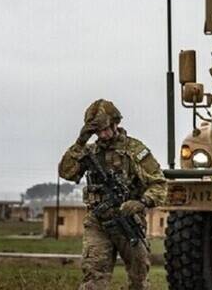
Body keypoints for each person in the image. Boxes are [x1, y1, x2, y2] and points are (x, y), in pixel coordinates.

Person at [59, 99, 166, 290]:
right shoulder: (89, 152)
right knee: (93, 278)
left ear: (115, 123)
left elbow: (159, 184)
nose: (103, 135)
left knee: (138, 280)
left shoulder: (134, 150)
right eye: (97, 131)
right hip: (98, 222)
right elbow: (66, 172)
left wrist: (142, 202)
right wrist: (80, 142)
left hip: (128, 222)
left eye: (106, 129)